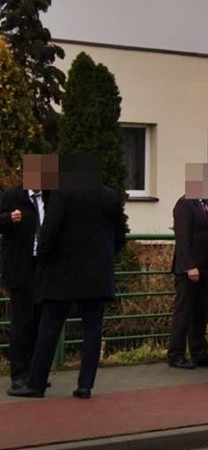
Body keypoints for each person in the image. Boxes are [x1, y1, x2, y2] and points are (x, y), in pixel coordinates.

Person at [8, 154, 126, 399]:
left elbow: (49, 231)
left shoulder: (63, 194)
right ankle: (85, 386)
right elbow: (119, 235)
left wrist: (42, 258)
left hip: (62, 275)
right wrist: (104, 260)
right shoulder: (110, 196)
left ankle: (36, 383)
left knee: (49, 327)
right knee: (92, 329)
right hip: (96, 277)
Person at [0, 154, 55, 392]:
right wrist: (7, 220)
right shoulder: (13, 196)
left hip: (43, 268)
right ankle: (19, 373)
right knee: (22, 322)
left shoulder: (51, 198)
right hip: (21, 267)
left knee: (41, 320)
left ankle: (36, 370)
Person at [166, 162, 208, 370]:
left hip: (203, 267)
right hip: (188, 269)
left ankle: (199, 351)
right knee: (183, 311)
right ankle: (176, 354)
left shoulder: (204, 204)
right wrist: (189, 266)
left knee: (199, 311)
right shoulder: (184, 204)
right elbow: (183, 237)